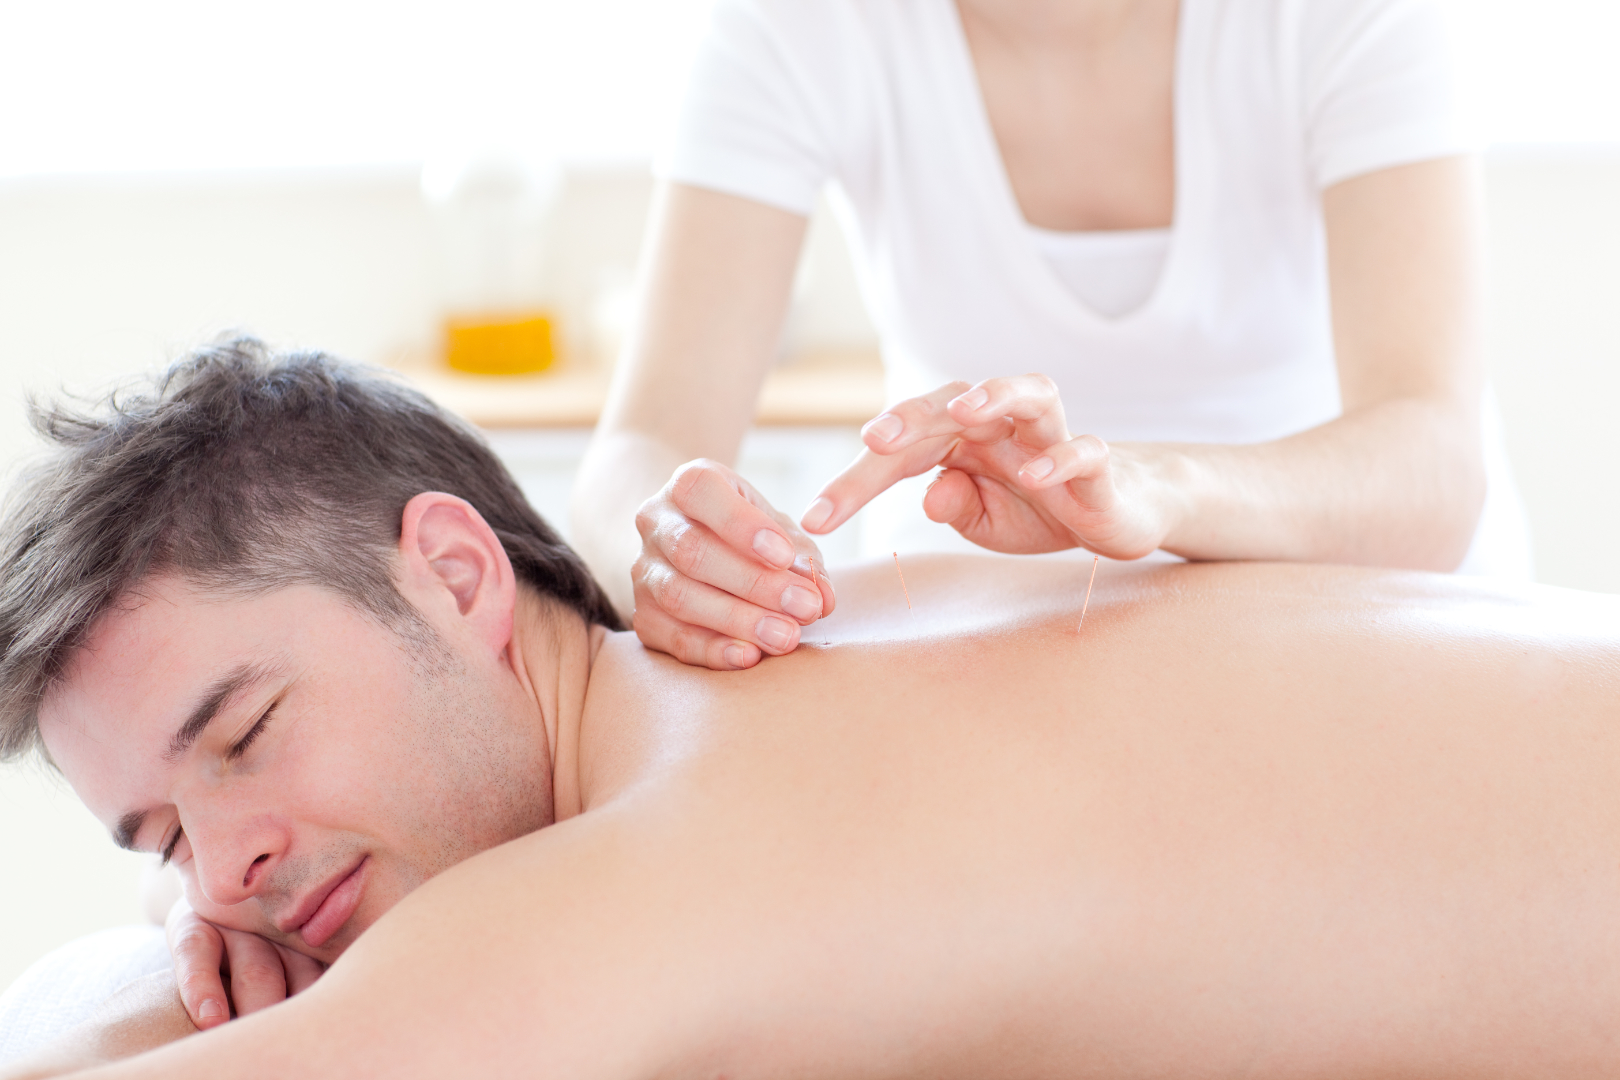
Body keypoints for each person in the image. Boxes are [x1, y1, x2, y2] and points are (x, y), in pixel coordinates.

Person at [4, 343, 1620, 1080]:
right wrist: (198, 880)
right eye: (158, 835)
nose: (225, 876)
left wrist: (162, 966)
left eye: (242, 737)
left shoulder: (666, 860)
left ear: (454, 573)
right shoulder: (850, 638)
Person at [571, 0, 1533, 674]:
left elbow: (1433, 462)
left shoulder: (1349, 16)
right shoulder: (792, 25)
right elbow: (636, 453)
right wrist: (674, 555)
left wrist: (1157, 488)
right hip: (985, 639)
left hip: (1357, 609)